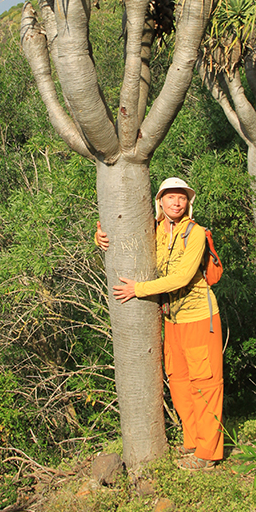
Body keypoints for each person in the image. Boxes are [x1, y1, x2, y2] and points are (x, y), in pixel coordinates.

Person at [96, 177, 223, 471]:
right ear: (160, 201)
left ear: (188, 203)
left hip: (200, 318)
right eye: (170, 197)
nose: (176, 203)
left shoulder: (196, 233)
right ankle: (193, 442)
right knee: (179, 382)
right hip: (172, 319)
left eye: (182, 198)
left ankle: (208, 453)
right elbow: (123, 235)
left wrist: (138, 289)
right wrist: (99, 236)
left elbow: (182, 277)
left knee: (205, 384)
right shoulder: (153, 230)